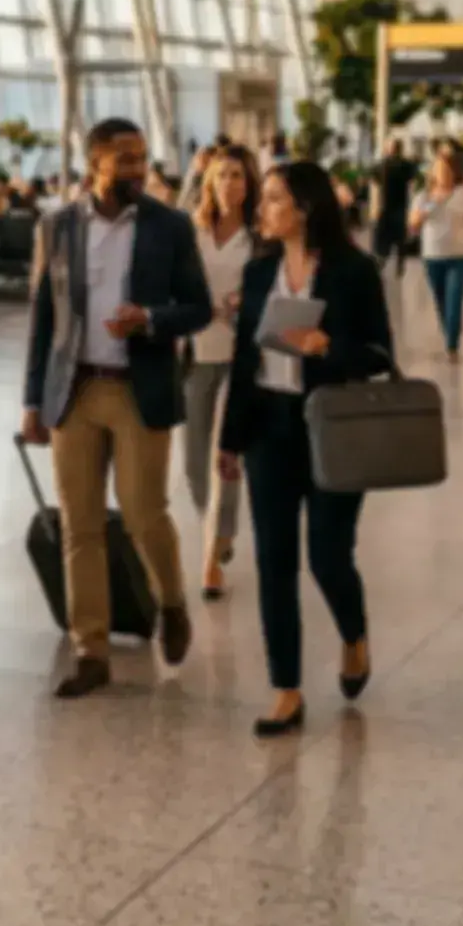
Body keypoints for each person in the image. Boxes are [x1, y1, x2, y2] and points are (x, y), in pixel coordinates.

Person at [23, 117, 214, 699]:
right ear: (94, 163)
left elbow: (199, 308)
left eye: (141, 157)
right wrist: (33, 400)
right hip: (73, 391)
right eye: (125, 158)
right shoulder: (55, 228)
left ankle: (172, 603)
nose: (138, 169)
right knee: (79, 525)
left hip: (138, 386)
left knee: (142, 513)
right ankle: (91, 649)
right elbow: (43, 319)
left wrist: (151, 319)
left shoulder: (170, 226)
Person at [218, 160, 393, 737]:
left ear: (306, 208)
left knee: (326, 554)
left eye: (272, 199)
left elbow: (378, 355)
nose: (261, 208)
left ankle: (353, 633)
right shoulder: (259, 269)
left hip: (331, 426)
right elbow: (245, 360)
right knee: (273, 561)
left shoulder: (354, 271)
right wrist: (230, 439)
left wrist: (325, 345)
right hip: (269, 425)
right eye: (263, 198)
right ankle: (286, 688)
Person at [181, 143, 256, 598]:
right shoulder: (192, 230)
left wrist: (244, 302)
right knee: (193, 463)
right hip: (195, 352)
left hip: (239, 355)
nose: (231, 184)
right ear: (209, 181)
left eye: (239, 176)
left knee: (226, 455)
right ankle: (217, 524)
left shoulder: (258, 236)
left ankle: (213, 551)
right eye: (223, 175)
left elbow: (269, 284)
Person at [409, 147, 463, 357]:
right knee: (440, 300)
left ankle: (452, 343)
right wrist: (429, 206)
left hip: (459, 255)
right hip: (432, 256)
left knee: (454, 299)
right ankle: (448, 333)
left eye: (447, 170)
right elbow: (413, 225)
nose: (444, 175)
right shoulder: (422, 196)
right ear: (433, 174)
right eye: (439, 170)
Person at [369, 138, 418, 273]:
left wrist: (375, 207)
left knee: (386, 236)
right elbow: (411, 184)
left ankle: (384, 259)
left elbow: (375, 187)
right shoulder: (405, 165)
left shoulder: (383, 165)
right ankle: (396, 262)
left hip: (390, 206)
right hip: (397, 206)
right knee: (397, 236)